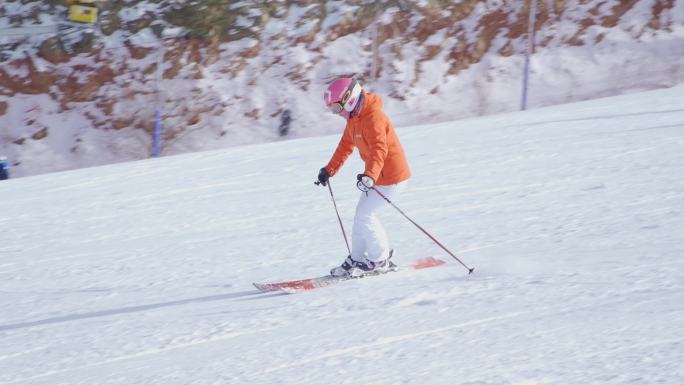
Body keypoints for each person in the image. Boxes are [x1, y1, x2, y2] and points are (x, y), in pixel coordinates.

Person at [317, 78, 411, 277]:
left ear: (349, 100)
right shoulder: (354, 120)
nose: (337, 113)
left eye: (336, 108)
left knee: (365, 215)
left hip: (393, 177)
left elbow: (380, 149)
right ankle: (358, 258)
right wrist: (329, 170)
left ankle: (380, 259)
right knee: (360, 216)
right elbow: (345, 147)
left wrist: (369, 175)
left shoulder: (374, 117)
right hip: (377, 178)